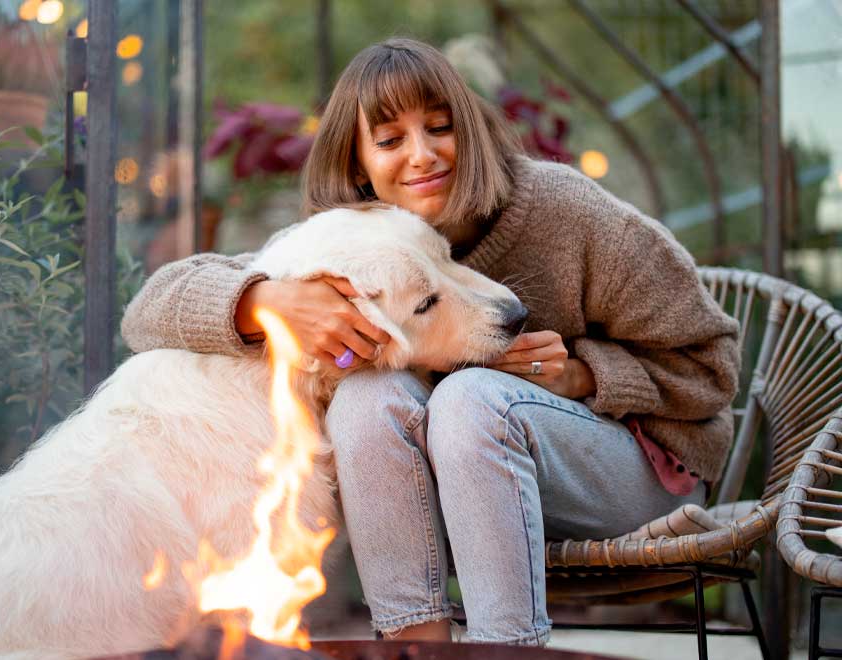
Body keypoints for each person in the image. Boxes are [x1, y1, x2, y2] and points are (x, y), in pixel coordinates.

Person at [120, 37, 740, 646]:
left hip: (639, 476)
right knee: (366, 396)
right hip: (464, 490)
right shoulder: (361, 245)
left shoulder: (566, 212)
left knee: (471, 400)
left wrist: (583, 375)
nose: (422, 156)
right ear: (358, 164)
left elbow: (713, 368)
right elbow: (146, 312)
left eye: (440, 128)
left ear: (468, 129)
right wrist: (263, 300)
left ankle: (504, 650)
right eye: (390, 141)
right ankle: (417, 645)